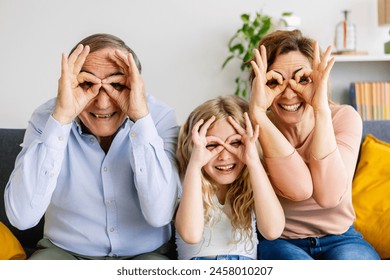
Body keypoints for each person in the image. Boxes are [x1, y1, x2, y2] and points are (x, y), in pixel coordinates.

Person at [4, 33, 180, 260]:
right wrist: (61, 119)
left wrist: (141, 120)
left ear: (135, 83)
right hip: (65, 253)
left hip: (145, 254)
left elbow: (160, 215)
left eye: (116, 84)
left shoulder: (158, 117)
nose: (102, 102)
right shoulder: (47, 118)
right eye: (87, 83)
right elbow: (21, 217)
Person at [248, 29, 380, 260]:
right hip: (280, 240)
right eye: (275, 81)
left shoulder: (344, 117)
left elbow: (329, 196)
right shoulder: (254, 127)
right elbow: (299, 189)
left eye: (303, 79)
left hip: (341, 236)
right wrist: (258, 113)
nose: (289, 94)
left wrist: (321, 108)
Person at [174, 95, 285, 260]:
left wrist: (253, 162)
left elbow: (272, 230)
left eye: (235, 143)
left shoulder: (252, 182)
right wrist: (195, 165)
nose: (224, 156)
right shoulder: (186, 179)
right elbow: (191, 235)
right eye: (212, 145)